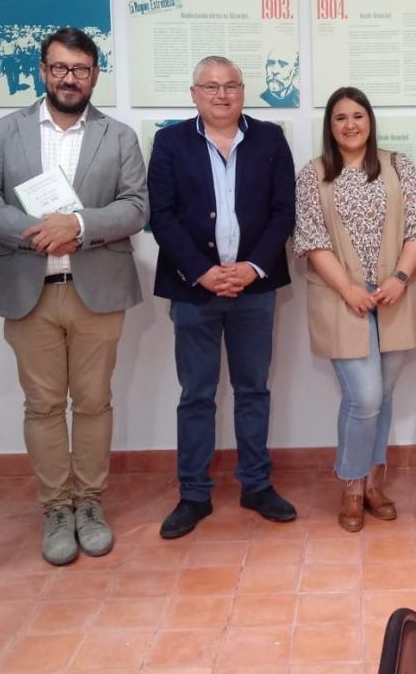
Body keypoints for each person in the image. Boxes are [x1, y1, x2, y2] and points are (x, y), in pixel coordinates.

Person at [0, 27, 149, 566]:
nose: (70, 78)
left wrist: (78, 225)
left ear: (95, 75)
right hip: (29, 289)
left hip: (98, 289)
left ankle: (89, 503)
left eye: (81, 69)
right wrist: (38, 232)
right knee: (43, 406)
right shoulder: (6, 132)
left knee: (94, 402)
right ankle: (56, 508)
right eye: (60, 68)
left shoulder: (119, 137)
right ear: (43, 70)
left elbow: (136, 206)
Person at [149, 55, 298, 538]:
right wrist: (203, 272)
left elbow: (284, 211)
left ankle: (256, 485)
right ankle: (194, 494)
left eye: (231, 85)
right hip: (194, 290)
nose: (221, 94)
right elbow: (162, 215)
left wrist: (252, 268)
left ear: (243, 90)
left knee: (253, 390)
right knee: (197, 395)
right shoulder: (170, 142)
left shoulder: (270, 138)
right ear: (194, 94)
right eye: (210, 86)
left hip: (255, 289)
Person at [294, 87, 416, 531]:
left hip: (394, 295)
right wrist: (349, 289)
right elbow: (312, 239)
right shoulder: (313, 174)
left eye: (358, 115)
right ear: (329, 126)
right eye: (340, 117)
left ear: (370, 121)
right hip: (340, 298)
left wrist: (400, 278)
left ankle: (375, 482)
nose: (350, 124)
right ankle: (352, 484)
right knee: (365, 396)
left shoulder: (398, 166)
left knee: (384, 396)